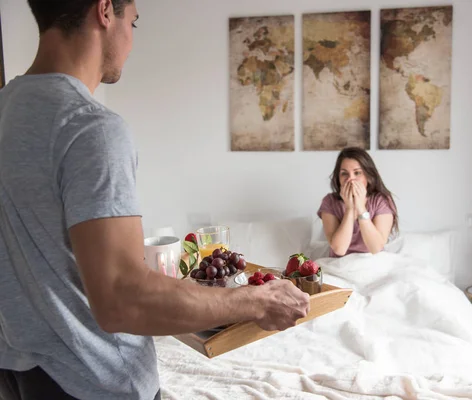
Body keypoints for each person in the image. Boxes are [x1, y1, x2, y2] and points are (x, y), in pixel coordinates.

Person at [0, 1, 310, 399]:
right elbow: (122, 299)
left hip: (19, 375)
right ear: (105, 11)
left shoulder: (7, 109)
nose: (131, 40)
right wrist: (256, 301)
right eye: (134, 21)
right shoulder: (89, 127)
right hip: (96, 383)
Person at [318, 147, 399, 257]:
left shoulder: (381, 201)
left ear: (368, 176)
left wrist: (360, 207)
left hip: (373, 262)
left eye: (357, 173)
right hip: (339, 264)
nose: (350, 179)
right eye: (344, 173)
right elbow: (339, 249)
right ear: (338, 178)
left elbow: (375, 248)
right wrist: (350, 209)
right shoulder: (330, 202)